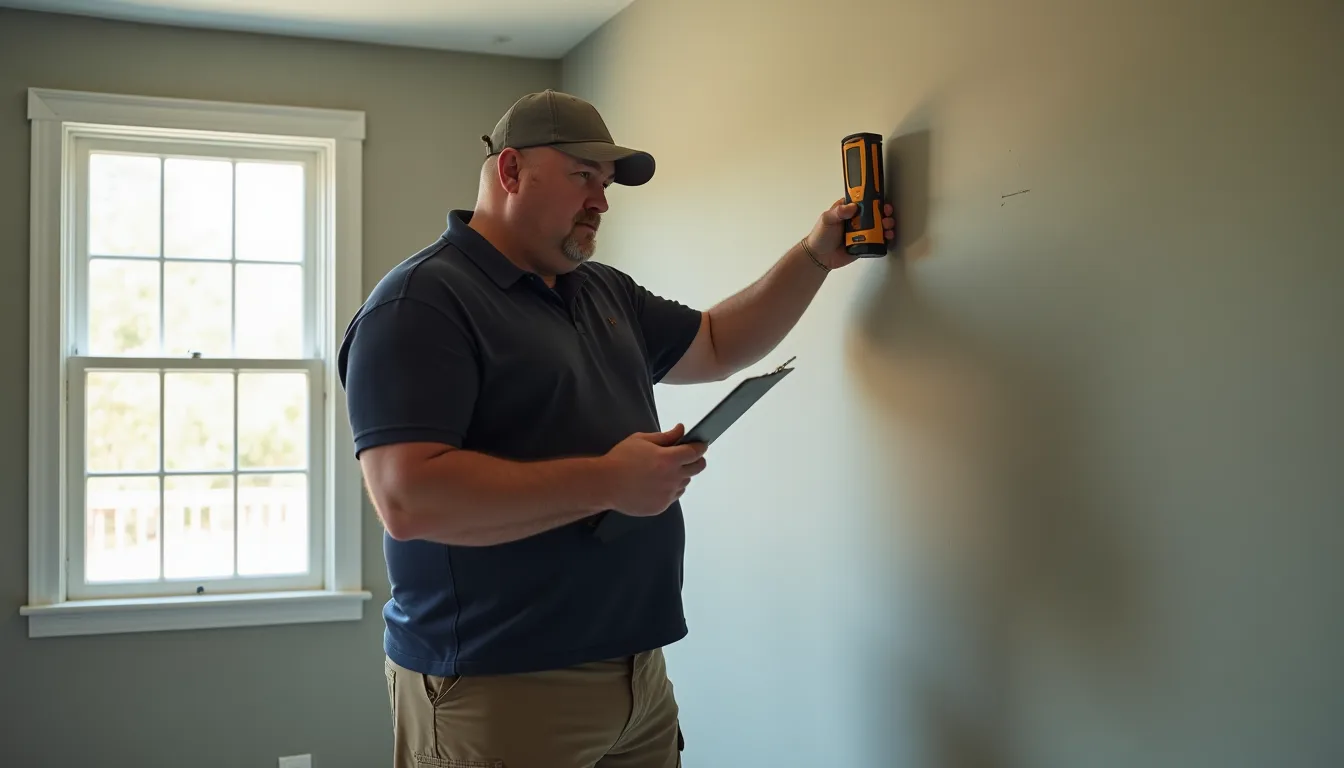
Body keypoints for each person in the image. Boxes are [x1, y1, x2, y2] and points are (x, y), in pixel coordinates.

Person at [337, 89, 894, 768]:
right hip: (497, 686)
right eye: (582, 177)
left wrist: (814, 256)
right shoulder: (420, 302)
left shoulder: (601, 290)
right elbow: (407, 499)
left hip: (637, 675)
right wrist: (611, 481)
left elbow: (716, 343)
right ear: (510, 173)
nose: (601, 199)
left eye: (604, 184)